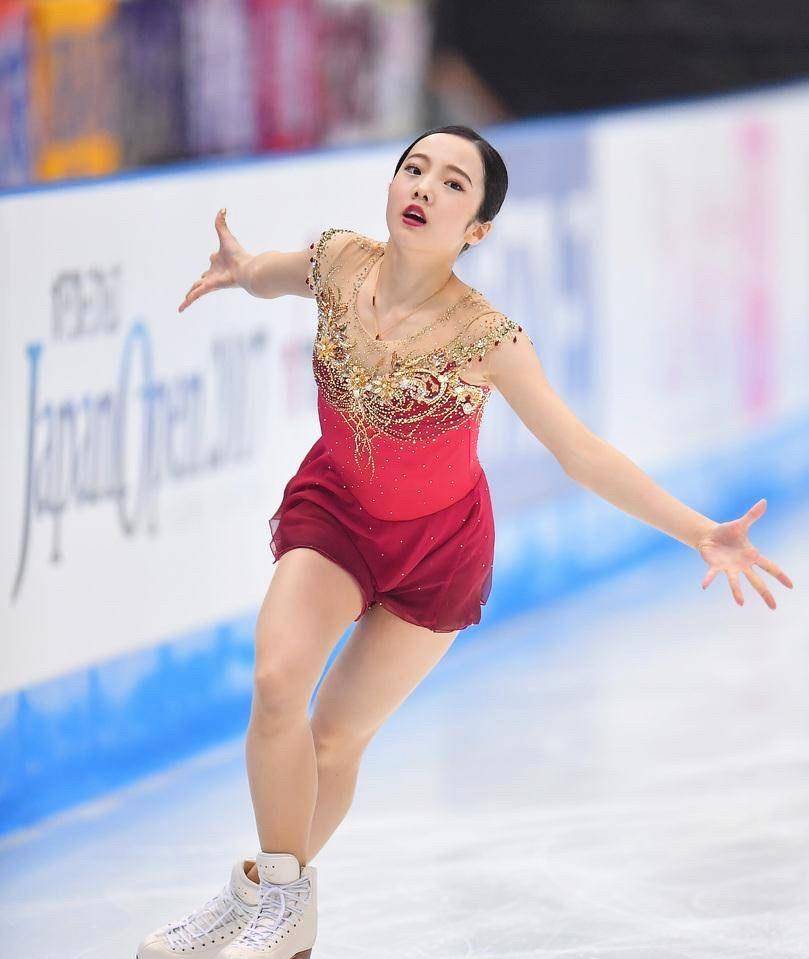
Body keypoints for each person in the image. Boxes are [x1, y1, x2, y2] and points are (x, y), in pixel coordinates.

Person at [138, 125, 794, 959]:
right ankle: (282, 908)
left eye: (453, 184)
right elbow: (274, 274)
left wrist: (699, 528)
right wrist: (241, 273)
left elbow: (580, 452)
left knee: (335, 738)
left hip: (437, 553)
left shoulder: (489, 337)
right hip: (335, 512)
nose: (424, 187)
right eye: (413, 169)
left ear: (476, 228)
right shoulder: (339, 261)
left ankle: (259, 897)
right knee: (276, 683)